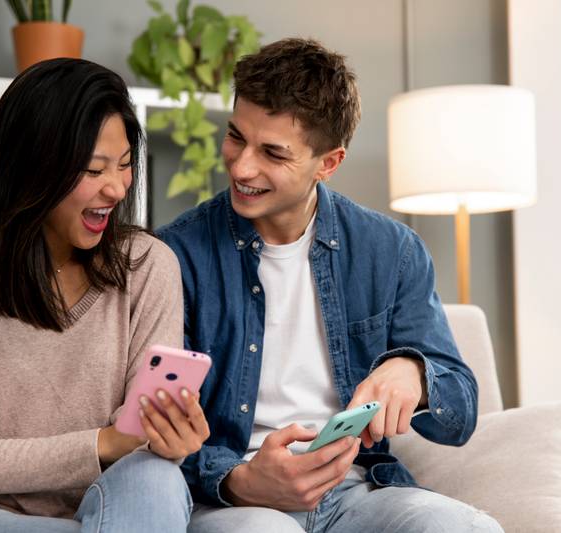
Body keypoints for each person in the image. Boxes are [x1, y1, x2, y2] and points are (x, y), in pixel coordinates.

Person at [157, 38, 503, 532]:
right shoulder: (173, 255)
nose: (240, 166)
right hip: (232, 501)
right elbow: (150, 430)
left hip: (352, 491)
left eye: (273, 153)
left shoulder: (392, 251)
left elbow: (459, 415)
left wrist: (414, 374)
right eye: (236, 136)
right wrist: (237, 480)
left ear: (328, 162)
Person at [0, 58, 209, 533]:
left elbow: (138, 442)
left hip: (117, 509)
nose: (116, 187)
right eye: (92, 169)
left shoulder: (147, 265)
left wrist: (169, 438)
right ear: (30, 170)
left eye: (125, 165)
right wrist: (105, 442)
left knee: (155, 479)